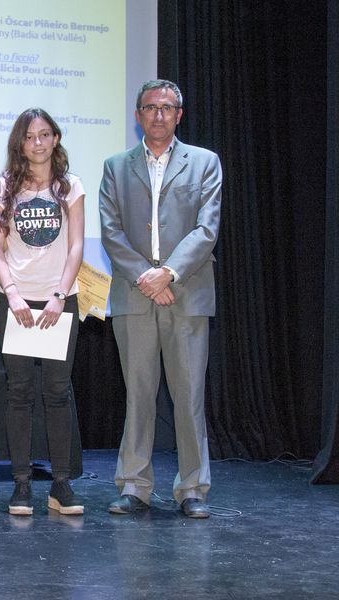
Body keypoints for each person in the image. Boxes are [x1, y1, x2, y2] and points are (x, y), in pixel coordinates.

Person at [99, 79, 222, 518]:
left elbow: (207, 228)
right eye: (150, 107)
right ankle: (134, 486)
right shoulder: (116, 166)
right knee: (138, 395)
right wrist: (145, 277)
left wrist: (167, 273)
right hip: (134, 295)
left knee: (189, 397)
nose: (158, 115)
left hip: (186, 293)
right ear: (138, 115)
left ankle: (192, 488)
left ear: (179, 115)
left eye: (166, 108)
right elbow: (111, 231)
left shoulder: (204, 162)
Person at [0, 108, 86, 516]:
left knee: (58, 392)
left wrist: (60, 295)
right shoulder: (5, 186)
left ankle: (60, 484)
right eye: (30, 137)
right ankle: (22, 483)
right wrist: (12, 294)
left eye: (45, 134)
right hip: (16, 303)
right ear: (20, 144)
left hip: (59, 301)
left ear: (56, 138)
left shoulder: (70, 186)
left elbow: (77, 245)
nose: (38, 143)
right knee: (19, 392)